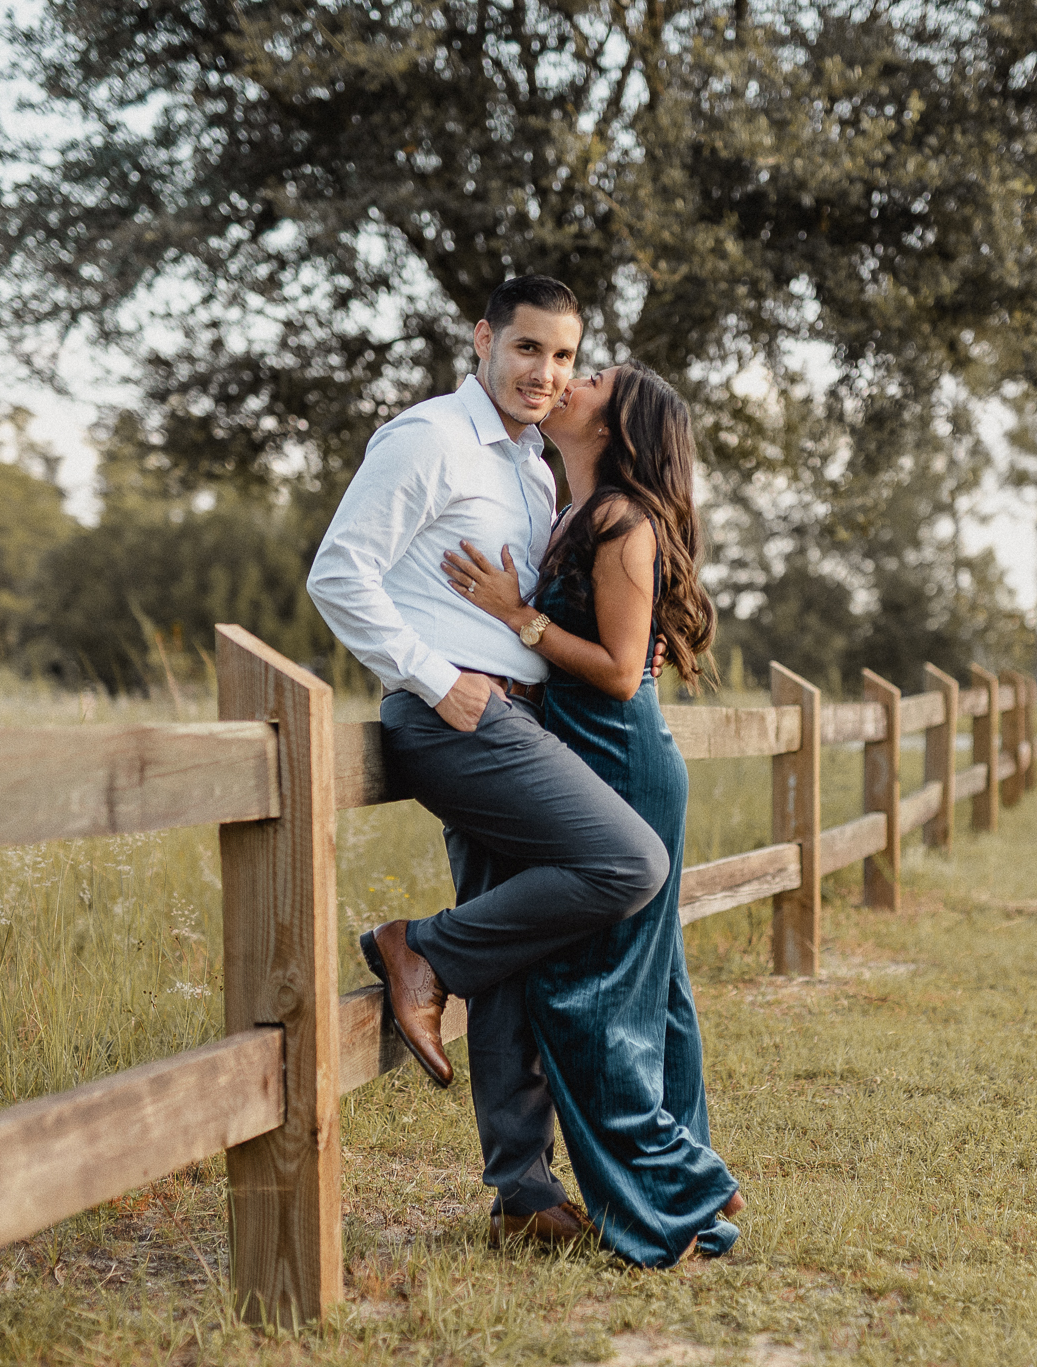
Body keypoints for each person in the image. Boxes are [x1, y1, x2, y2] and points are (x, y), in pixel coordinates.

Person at [306, 275, 670, 1246]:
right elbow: (339, 572)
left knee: (518, 946)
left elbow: (537, 607)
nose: (545, 373)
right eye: (526, 349)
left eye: (562, 356)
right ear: (482, 340)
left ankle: (521, 1190)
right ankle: (420, 946)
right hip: (455, 717)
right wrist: (432, 677)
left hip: (521, 715)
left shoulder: (534, 469)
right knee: (626, 863)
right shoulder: (427, 438)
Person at [441, 359, 743, 1267]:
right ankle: (678, 1202)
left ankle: (676, 1190)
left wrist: (518, 614)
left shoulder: (618, 518)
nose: (569, 379)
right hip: (595, 755)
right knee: (650, 988)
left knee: (597, 990)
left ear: (616, 424)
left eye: (594, 377)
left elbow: (617, 670)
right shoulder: (572, 507)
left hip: (620, 759)